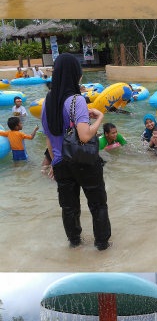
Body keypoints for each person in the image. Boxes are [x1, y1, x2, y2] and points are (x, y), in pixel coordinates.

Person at [40, 54, 110, 250]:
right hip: (83, 162)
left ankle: (75, 243)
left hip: (61, 163)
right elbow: (85, 136)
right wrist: (99, 118)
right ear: (75, 74)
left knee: (69, 208)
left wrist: (55, 163)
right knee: (98, 205)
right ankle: (102, 244)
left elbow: (49, 136)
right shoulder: (76, 100)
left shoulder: (47, 102)